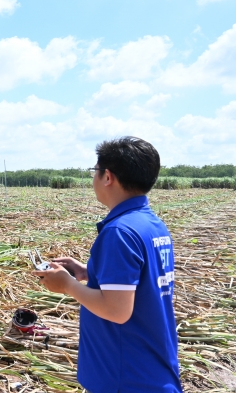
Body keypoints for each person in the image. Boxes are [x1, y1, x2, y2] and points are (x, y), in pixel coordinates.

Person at [32, 137, 181, 393]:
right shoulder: (151, 224)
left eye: (95, 171)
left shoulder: (119, 232)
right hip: (151, 366)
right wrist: (89, 273)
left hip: (126, 376)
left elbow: (117, 311)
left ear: (107, 177)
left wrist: (67, 284)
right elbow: (141, 282)